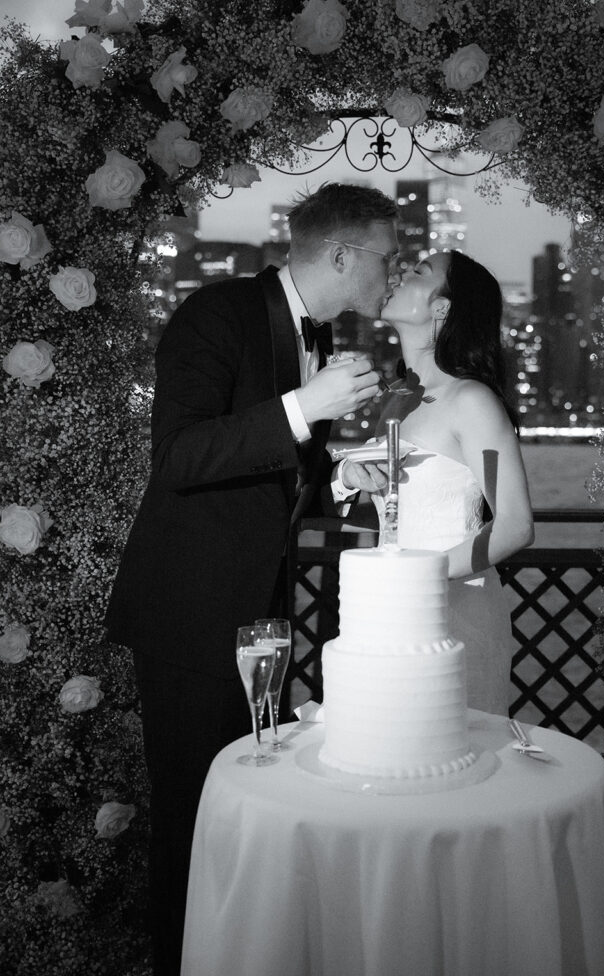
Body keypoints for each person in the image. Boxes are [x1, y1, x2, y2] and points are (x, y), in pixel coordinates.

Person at [104, 182, 400, 976]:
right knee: (195, 817)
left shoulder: (322, 332)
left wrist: (339, 473)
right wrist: (306, 404)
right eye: (387, 255)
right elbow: (180, 457)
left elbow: (270, 470)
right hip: (192, 615)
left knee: (250, 810)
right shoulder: (217, 314)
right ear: (340, 254)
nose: (394, 270)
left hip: (259, 617)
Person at [342, 249, 534, 715]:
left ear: (441, 307)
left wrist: (417, 579)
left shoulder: (470, 399)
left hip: (453, 613)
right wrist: (349, 478)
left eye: (419, 272)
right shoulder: (398, 397)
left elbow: (514, 525)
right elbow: (390, 515)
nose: (401, 274)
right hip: (387, 611)